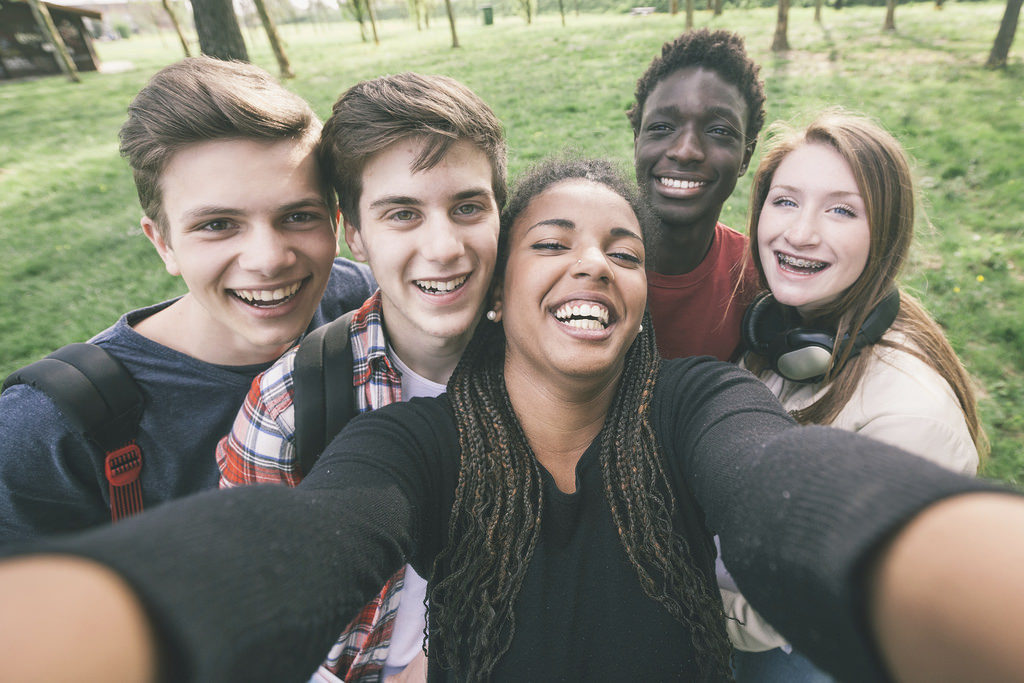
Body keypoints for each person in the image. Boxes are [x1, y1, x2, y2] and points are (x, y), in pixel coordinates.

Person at [0, 158, 1013, 683]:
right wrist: (104, 624)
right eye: (555, 241)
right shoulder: (413, 440)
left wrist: (949, 563)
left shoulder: (692, 400)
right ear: (495, 292)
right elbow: (311, 535)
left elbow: (786, 484)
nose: (592, 262)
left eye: (620, 249)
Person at [0, 57, 375, 542]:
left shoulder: (358, 300)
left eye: (298, 216)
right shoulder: (46, 430)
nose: (268, 259)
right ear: (163, 243)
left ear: (336, 222)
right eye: (217, 225)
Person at [216, 72, 506, 682]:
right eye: (402, 213)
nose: (445, 246)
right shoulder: (289, 406)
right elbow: (252, 621)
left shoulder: (550, 366)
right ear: (356, 235)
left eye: (468, 207)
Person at [724, 110, 989, 679]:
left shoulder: (912, 417)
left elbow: (796, 603)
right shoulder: (777, 333)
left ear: (885, 235)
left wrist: (657, 594)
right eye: (786, 200)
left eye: (841, 210)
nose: (799, 233)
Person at [628, 29, 765, 361]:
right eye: (662, 127)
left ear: (745, 156)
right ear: (636, 141)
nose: (686, 151)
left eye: (718, 131)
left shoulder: (758, 280)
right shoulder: (580, 263)